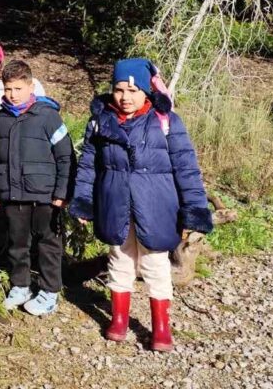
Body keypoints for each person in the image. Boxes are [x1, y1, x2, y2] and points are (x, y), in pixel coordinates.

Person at [69, 58, 213, 351]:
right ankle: (119, 319)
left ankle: (161, 326)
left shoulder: (166, 121)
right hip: (114, 204)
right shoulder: (100, 121)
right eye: (119, 90)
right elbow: (88, 166)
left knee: (155, 264)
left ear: (146, 91)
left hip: (157, 206)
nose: (125, 97)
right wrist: (83, 201)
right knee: (119, 259)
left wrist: (194, 211)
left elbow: (187, 168)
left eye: (133, 91)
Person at [0, 60, 74, 317]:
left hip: (45, 196)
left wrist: (62, 192)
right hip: (12, 194)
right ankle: (21, 286)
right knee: (17, 243)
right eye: (8, 88)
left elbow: (66, 156)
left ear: (30, 86)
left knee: (48, 244)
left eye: (18, 88)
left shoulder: (48, 116)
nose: (12, 94)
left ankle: (49, 291)